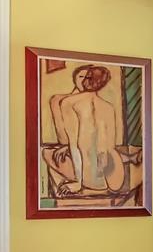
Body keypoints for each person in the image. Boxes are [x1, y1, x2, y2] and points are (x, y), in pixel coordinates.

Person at [45, 63, 127, 197]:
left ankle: (87, 188)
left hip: (88, 179)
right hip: (112, 177)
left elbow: (75, 145)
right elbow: (110, 148)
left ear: (86, 80)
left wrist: (78, 182)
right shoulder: (108, 107)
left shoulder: (69, 103)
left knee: (46, 153)